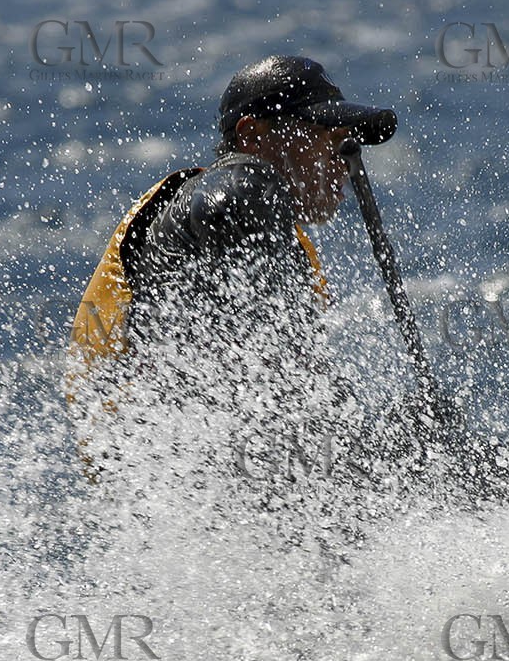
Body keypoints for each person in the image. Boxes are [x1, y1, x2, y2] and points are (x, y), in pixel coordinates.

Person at [65, 54, 396, 424]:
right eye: (326, 140)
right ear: (252, 135)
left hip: (169, 446)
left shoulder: (284, 235)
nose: (343, 164)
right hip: (152, 439)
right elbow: (223, 203)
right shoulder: (241, 187)